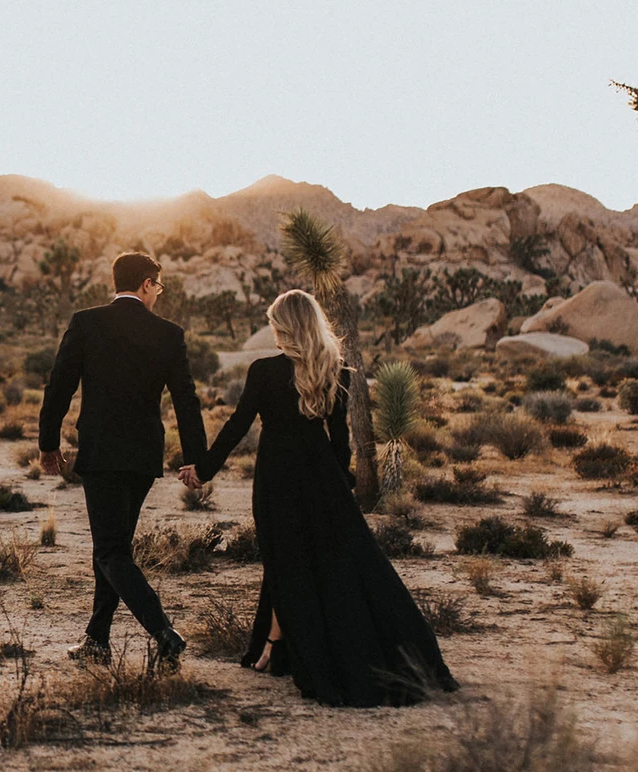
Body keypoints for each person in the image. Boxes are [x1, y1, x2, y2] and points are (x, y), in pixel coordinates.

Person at [179, 289, 458, 706]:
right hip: (323, 478)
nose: (272, 331)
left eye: (275, 324)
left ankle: (279, 647)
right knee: (335, 563)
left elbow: (237, 427)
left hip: (278, 479)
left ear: (286, 328)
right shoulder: (337, 370)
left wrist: (203, 470)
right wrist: (338, 485)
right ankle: (276, 645)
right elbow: (339, 441)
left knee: (284, 557)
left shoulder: (264, 372)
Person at [39, 251, 207, 670]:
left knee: (110, 550)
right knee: (114, 549)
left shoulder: (86, 323)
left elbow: (58, 386)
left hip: (101, 451)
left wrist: (48, 443)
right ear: (147, 284)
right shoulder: (169, 334)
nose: (158, 295)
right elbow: (186, 400)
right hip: (144, 454)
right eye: (158, 287)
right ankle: (97, 639)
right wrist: (196, 458)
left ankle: (164, 631)